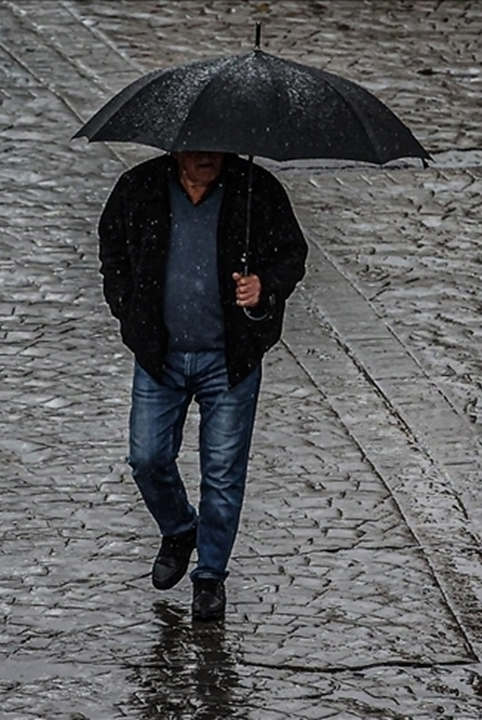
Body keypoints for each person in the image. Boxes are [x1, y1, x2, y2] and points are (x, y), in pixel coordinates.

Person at [97, 150, 307, 620]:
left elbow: (293, 255)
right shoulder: (140, 188)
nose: (206, 156)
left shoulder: (257, 190)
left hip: (228, 360)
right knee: (147, 457)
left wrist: (264, 285)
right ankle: (178, 528)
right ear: (176, 148)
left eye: (216, 146)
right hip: (160, 358)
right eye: (196, 146)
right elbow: (112, 251)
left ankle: (210, 576)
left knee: (223, 473)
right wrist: (128, 311)